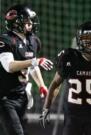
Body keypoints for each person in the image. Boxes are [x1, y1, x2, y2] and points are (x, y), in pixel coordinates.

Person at [39, 21, 91, 135]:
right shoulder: (69, 56)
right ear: (79, 39)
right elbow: (55, 84)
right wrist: (46, 107)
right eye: (85, 37)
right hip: (72, 116)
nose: (89, 42)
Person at [0, 4, 53, 135]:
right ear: (16, 23)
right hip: (5, 97)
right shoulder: (5, 40)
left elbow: (33, 67)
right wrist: (34, 61)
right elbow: (9, 66)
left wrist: (41, 85)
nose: (31, 23)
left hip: (22, 95)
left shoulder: (33, 40)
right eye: (27, 21)